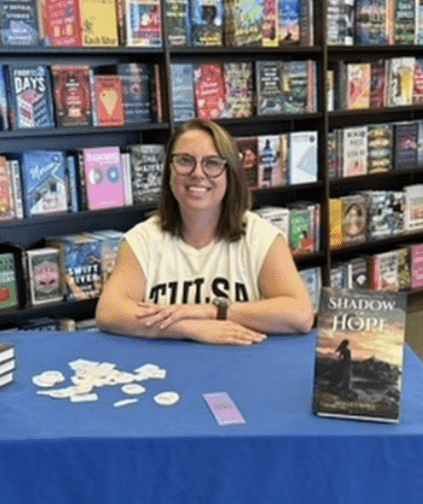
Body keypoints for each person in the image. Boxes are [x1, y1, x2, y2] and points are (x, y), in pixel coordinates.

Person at [96, 118, 315, 345]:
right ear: (169, 171)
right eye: (185, 161)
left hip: (240, 364)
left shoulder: (261, 237)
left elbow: (300, 314)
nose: (198, 173)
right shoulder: (141, 240)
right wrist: (191, 328)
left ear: (230, 174)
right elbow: (110, 312)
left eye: (212, 163)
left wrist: (212, 312)